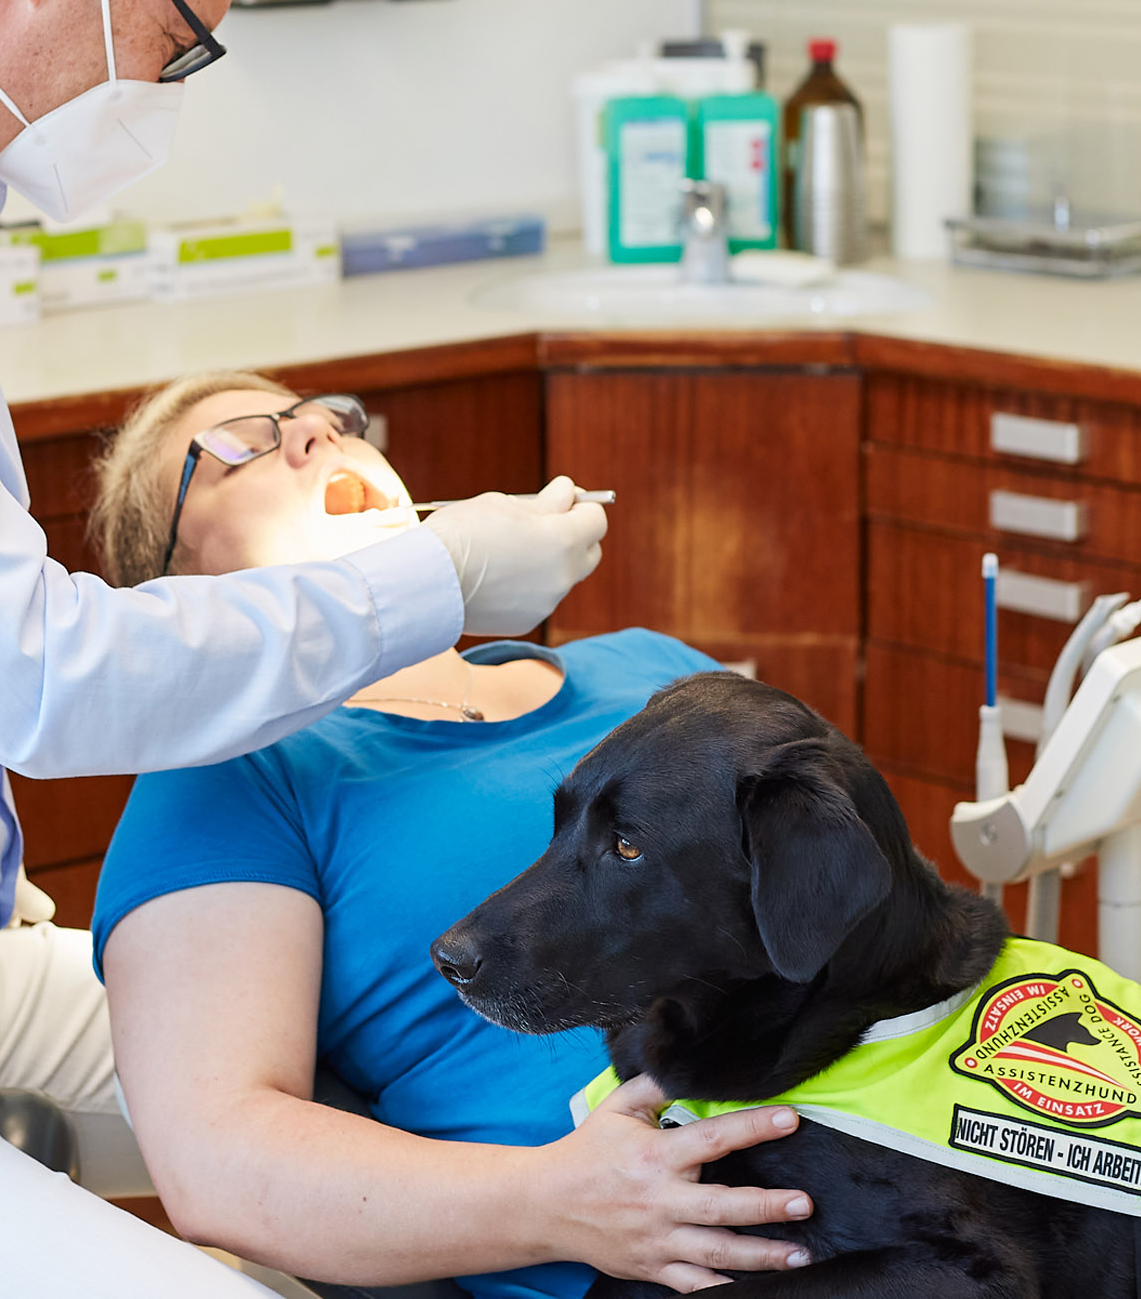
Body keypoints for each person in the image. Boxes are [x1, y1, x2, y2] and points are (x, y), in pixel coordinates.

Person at [0, 0, 606, 1295]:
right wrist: (435, 578)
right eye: (178, 42)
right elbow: (46, 675)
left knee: (405, 1112)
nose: (167, 86)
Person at [90, 371, 816, 1299]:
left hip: (904, 1150)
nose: (314, 434)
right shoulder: (236, 769)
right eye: (244, 444)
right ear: (179, 588)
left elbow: (853, 895)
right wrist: (557, 1201)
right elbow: (218, 1159)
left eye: (326, 419)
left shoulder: (650, 666)